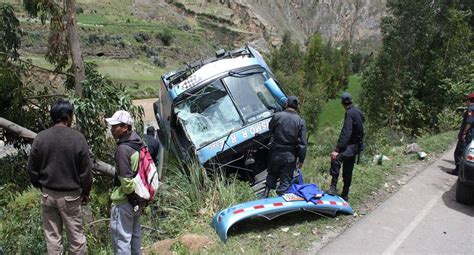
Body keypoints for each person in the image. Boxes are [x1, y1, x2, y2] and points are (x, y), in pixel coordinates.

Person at [27, 99, 92, 254]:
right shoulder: (78, 138)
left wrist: (41, 185)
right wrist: (86, 192)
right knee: (76, 240)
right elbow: (85, 171)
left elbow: (31, 169)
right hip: (70, 197)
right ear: (68, 117)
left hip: (47, 195)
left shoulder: (41, 138)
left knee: (53, 239)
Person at [106, 110, 144, 254]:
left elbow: (126, 181)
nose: (112, 129)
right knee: (135, 241)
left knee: (121, 243)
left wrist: (132, 199)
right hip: (137, 200)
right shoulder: (138, 144)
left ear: (125, 127)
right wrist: (137, 201)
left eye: (115, 126)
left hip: (125, 202)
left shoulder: (123, 149)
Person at [263, 95, 307, 197]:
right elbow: (302, 143)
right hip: (290, 156)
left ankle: (264, 197)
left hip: (275, 153)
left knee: (271, 175)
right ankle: (281, 203)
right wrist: (301, 159)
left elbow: (270, 129)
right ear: (297, 107)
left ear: (286, 104)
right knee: (285, 182)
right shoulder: (300, 121)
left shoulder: (277, 116)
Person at [327, 92, 364, 201]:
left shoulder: (349, 113)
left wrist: (337, 149)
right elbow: (362, 121)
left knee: (336, 158)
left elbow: (346, 132)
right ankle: (345, 194)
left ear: (343, 103)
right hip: (356, 146)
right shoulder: (357, 112)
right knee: (348, 168)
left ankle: (333, 188)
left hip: (351, 145)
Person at [448, 92, 474, 176]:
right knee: (466, 152)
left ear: (470, 100)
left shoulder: (471, 108)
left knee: (459, 152)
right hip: (472, 134)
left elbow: (469, 122)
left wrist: (464, 133)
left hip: (468, 134)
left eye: (467, 100)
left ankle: (458, 171)